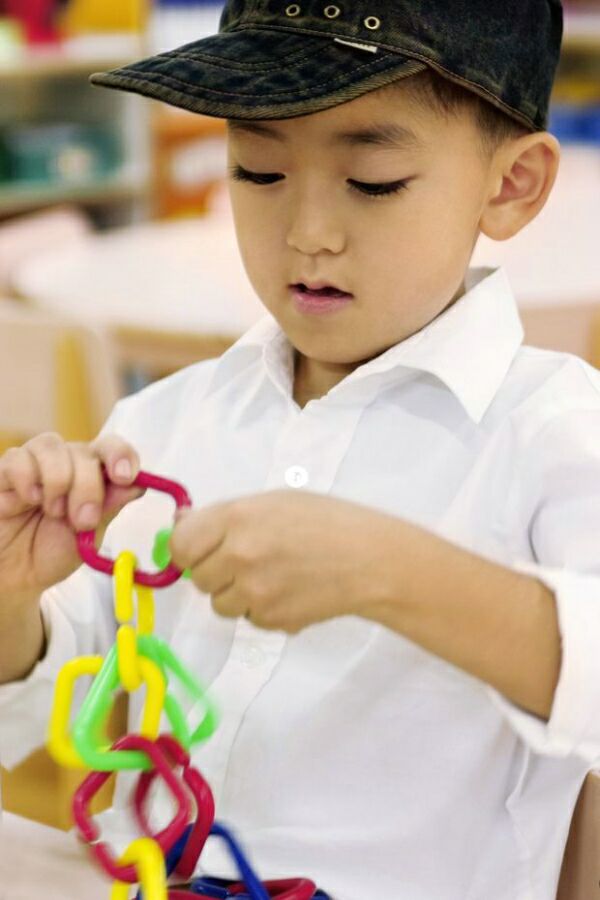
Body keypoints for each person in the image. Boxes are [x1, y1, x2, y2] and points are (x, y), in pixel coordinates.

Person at [0, 1, 597, 897]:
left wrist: (390, 572)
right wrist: (14, 596)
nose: (308, 231)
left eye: (373, 181)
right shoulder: (164, 423)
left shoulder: (556, 431)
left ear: (510, 185)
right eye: (260, 170)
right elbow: (43, 708)